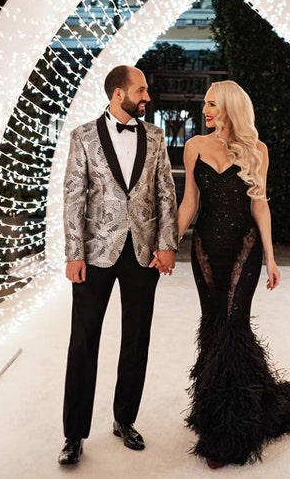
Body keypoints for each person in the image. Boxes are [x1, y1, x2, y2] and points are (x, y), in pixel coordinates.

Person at [177, 80, 290, 468]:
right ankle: (213, 414)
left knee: (234, 326)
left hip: (245, 249)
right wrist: (166, 242)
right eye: (205, 104)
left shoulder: (257, 150)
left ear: (229, 107)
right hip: (205, 250)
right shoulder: (194, 146)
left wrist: (272, 257)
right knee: (213, 324)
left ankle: (234, 428)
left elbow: (259, 206)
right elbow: (190, 203)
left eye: (212, 104)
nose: (205, 110)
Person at [58, 65, 179, 466]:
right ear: (118, 94)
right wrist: (74, 252)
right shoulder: (83, 137)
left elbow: (165, 193)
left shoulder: (156, 137)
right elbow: (74, 198)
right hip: (95, 254)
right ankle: (74, 434)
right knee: (84, 340)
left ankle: (124, 419)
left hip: (143, 253)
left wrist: (166, 245)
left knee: (136, 338)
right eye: (141, 91)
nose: (147, 97)